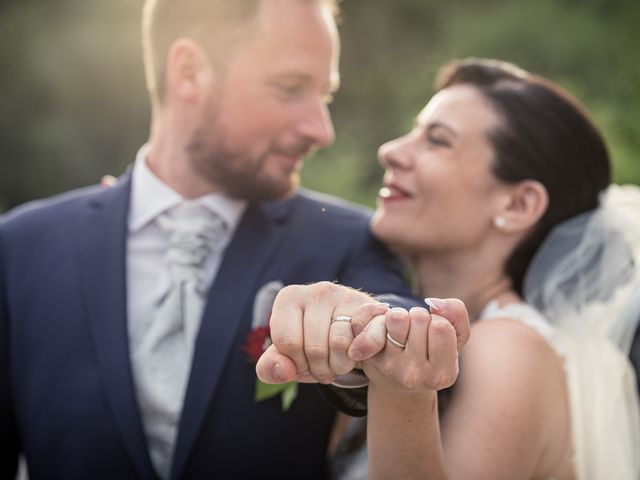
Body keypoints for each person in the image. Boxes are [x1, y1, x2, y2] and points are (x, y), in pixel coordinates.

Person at [0, 1, 445, 478]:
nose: (321, 130)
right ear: (189, 72)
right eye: (291, 88)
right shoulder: (20, 247)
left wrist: (361, 323)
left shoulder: (351, 240)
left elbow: (400, 313)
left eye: (325, 96)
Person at [259, 58, 640, 479]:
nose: (392, 150)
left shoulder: (508, 350)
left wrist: (404, 397)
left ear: (517, 205)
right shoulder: (392, 327)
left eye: (437, 141)